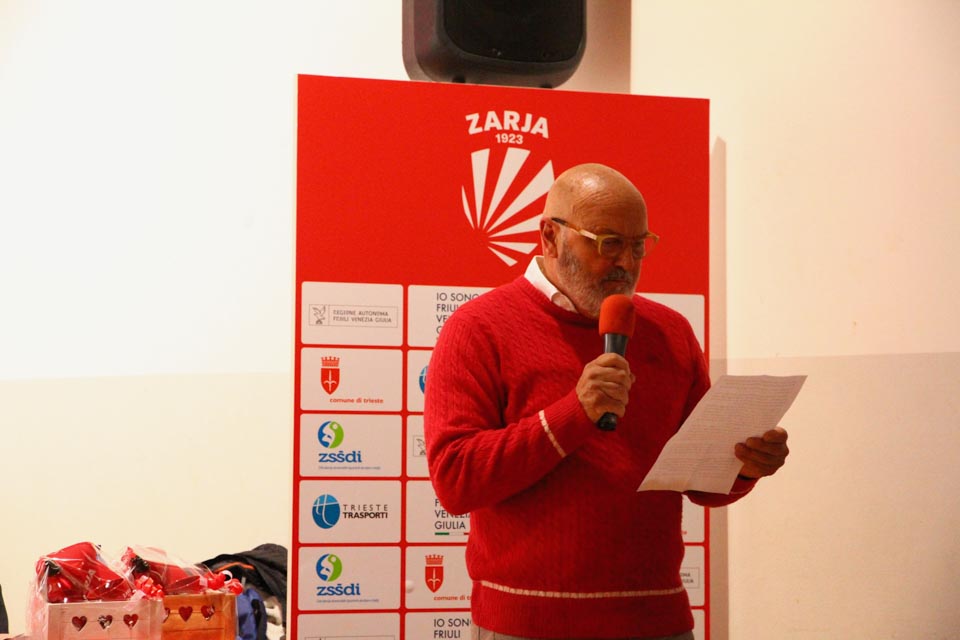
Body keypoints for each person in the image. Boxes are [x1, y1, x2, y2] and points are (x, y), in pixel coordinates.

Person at [423, 163, 789, 640]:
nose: (627, 264)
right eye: (609, 243)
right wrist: (574, 413)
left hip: (657, 622)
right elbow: (455, 481)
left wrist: (745, 466)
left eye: (639, 246)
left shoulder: (670, 332)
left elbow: (700, 482)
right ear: (549, 237)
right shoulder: (477, 328)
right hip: (526, 627)